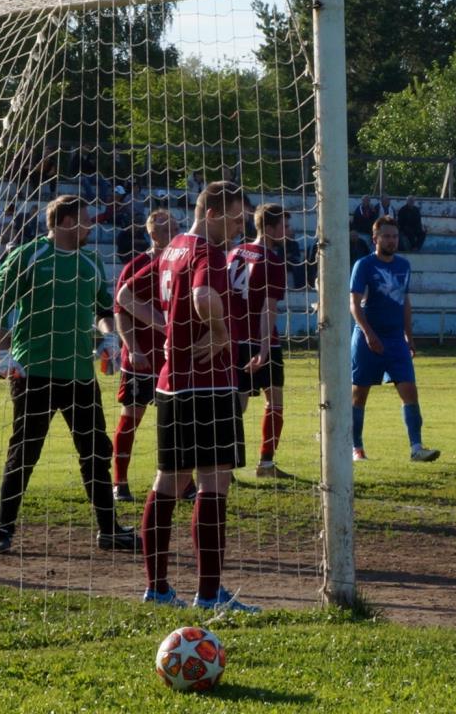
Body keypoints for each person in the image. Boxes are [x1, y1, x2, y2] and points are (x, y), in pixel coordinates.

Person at [119, 180, 261, 611]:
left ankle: (158, 588)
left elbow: (126, 296)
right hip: (209, 382)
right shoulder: (207, 251)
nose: (239, 228)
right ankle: (209, 594)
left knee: (169, 481)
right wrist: (218, 330)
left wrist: (169, 330)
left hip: (170, 382)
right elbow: (202, 295)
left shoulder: (173, 246)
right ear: (214, 213)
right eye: (236, 218)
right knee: (213, 483)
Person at [0, 195, 138, 555]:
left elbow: (103, 308)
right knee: (24, 451)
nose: (91, 225)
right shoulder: (27, 256)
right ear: (68, 222)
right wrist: (2, 353)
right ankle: (3, 530)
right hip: (33, 371)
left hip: (80, 374)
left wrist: (107, 337)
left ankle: (108, 530)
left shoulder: (91, 261)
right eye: (86, 219)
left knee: (96, 451)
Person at [349, 216, 440, 464]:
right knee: (359, 394)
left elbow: (405, 302)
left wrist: (408, 336)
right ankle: (356, 447)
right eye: (387, 236)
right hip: (368, 338)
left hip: (395, 339)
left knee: (409, 390)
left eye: (395, 236)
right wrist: (368, 333)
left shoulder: (404, 265)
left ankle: (417, 447)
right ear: (375, 239)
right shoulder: (364, 265)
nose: (392, 240)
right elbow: (354, 304)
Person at [112, 209, 179, 503]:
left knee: (176, 421)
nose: (177, 233)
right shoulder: (136, 266)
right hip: (141, 358)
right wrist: (134, 348)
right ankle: (119, 482)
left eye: (178, 227)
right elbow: (120, 313)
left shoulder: (179, 264)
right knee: (132, 417)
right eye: (170, 229)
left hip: (173, 357)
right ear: (154, 234)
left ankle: (181, 481)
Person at [228, 203, 291, 478]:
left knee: (235, 405)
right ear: (269, 227)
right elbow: (269, 308)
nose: (289, 231)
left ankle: (224, 465)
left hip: (231, 338)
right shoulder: (272, 261)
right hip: (261, 341)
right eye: (284, 226)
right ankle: (265, 463)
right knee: (273, 399)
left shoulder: (232, 253)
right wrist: (265, 349)